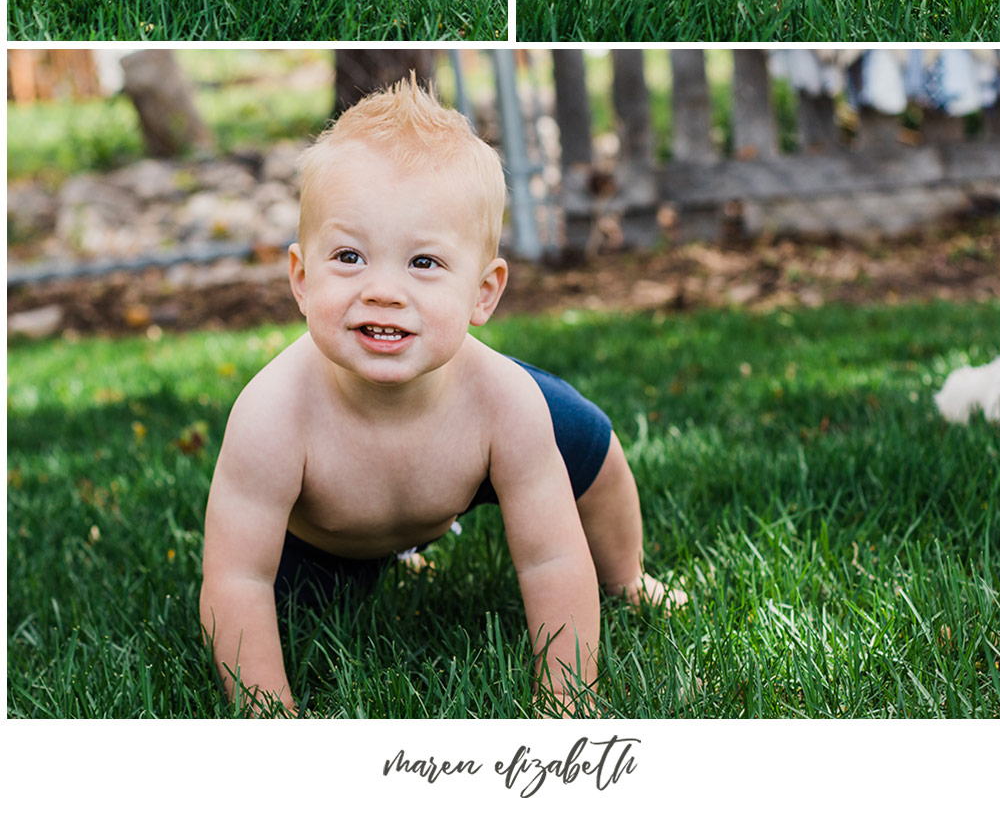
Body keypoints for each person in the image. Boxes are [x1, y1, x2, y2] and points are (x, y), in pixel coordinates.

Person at [201, 81, 684, 715]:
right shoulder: (272, 416)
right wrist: (268, 713)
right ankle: (384, 561)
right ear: (300, 277)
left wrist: (569, 700)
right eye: (349, 256)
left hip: (467, 447)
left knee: (588, 438)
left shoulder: (505, 402)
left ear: (483, 293)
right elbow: (236, 579)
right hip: (327, 536)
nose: (383, 291)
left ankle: (628, 577)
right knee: (294, 604)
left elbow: (551, 558)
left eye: (424, 263)